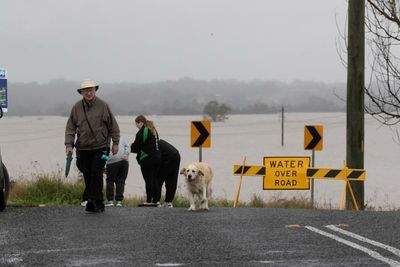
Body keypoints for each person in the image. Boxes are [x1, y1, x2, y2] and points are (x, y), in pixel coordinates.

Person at [65, 79, 120, 213]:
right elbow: (70, 127)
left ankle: (93, 201)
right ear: (82, 93)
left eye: (91, 90)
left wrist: (116, 143)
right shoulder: (76, 107)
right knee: (88, 174)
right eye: (86, 90)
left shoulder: (103, 106)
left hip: (102, 147)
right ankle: (97, 201)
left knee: (96, 172)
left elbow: (113, 125)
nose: (88, 93)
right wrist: (69, 144)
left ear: (95, 91)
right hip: (83, 148)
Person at [130, 115, 161, 206]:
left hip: (147, 158)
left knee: (148, 180)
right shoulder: (153, 130)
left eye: (136, 124)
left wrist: (130, 148)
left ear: (140, 122)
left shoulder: (143, 131)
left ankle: (148, 201)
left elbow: (136, 146)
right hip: (158, 157)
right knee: (155, 179)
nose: (136, 126)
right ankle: (156, 200)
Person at [104, 138, 130, 207]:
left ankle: (110, 201)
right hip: (124, 161)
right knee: (121, 181)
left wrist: (105, 162)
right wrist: (126, 154)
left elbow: (103, 153)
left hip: (112, 162)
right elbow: (128, 147)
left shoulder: (106, 139)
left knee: (110, 180)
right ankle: (119, 201)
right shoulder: (122, 138)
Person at [157, 139, 180, 208]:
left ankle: (156, 201)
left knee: (158, 179)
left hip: (167, 157)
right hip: (176, 154)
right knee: (172, 179)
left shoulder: (151, 145)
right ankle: (168, 202)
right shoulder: (158, 141)